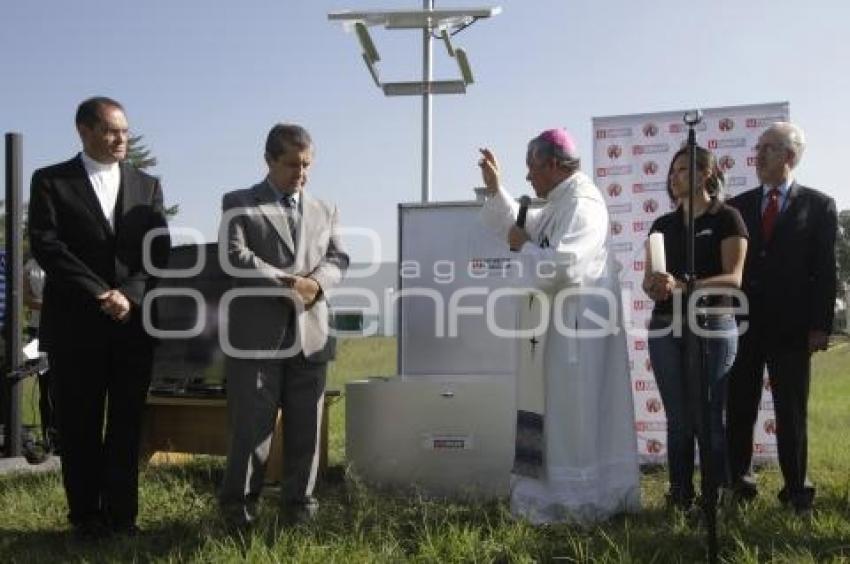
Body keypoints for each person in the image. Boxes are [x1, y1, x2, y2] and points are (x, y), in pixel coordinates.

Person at [477, 128, 640, 525]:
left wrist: (521, 247)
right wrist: (499, 192)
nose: (529, 178)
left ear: (552, 164)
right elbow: (525, 224)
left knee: (572, 413)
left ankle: (576, 499)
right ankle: (546, 493)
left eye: (532, 168)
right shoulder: (560, 201)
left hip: (576, 336)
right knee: (551, 410)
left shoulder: (582, 204)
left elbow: (564, 264)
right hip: (553, 330)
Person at [28, 96, 171, 537]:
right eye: (111, 130)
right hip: (75, 327)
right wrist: (98, 292)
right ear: (84, 131)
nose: (121, 139)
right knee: (79, 427)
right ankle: (85, 518)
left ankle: (123, 516)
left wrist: (128, 294)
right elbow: (48, 246)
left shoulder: (147, 186)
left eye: (125, 130)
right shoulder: (51, 181)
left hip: (132, 327)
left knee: (127, 426)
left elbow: (159, 251)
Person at [218, 123, 348, 528]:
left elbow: (338, 258)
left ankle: (299, 509)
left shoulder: (325, 209)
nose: (301, 173)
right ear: (269, 160)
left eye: (307, 164)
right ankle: (238, 512)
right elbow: (235, 257)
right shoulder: (239, 202)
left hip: (311, 337)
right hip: (255, 341)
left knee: (306, 431)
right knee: (251, 432)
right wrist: (291, 285)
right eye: (293, 164)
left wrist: (317, 285)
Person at [726, 122, 837, 515]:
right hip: (743, 326)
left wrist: (821, 325)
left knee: (790, 411)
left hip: (792, 328)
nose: (758, 155)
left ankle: (796, 490)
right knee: (739, 407)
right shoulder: (737, 205)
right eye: (757, 147)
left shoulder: (819, 205)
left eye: (768, 148)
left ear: (790, 157)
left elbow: (825, 270)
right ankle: (738, 484)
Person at [643, 146, 748, 510]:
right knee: (678, 419)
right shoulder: (662, 226)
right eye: (672, 172)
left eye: (684, 170)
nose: (674, 177)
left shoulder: (727, 218)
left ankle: (714, 498)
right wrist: (655, 286)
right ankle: (680, 495)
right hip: (665, 326)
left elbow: (733, 279)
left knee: (708, 416)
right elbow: (649, 282)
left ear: (706, 174)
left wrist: (685, 286)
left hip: (712, 326)